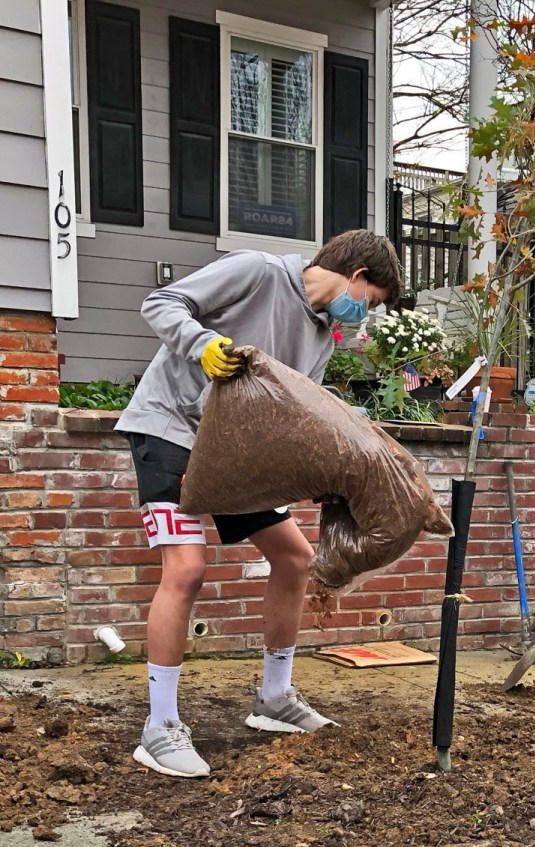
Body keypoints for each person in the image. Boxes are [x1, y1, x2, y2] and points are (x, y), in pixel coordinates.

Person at [116, 230, 402, 779]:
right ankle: (160, 726)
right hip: (171, 431)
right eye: (371, 301)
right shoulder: (258, 271)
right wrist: (203, 345)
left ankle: (274, 699)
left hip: (234, 453)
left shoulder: (321, 338)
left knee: (295, 559)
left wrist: (318, 470)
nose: (364, 314)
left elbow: (292, 416)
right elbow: (162, 302)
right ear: (358, 275)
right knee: (187, 568)